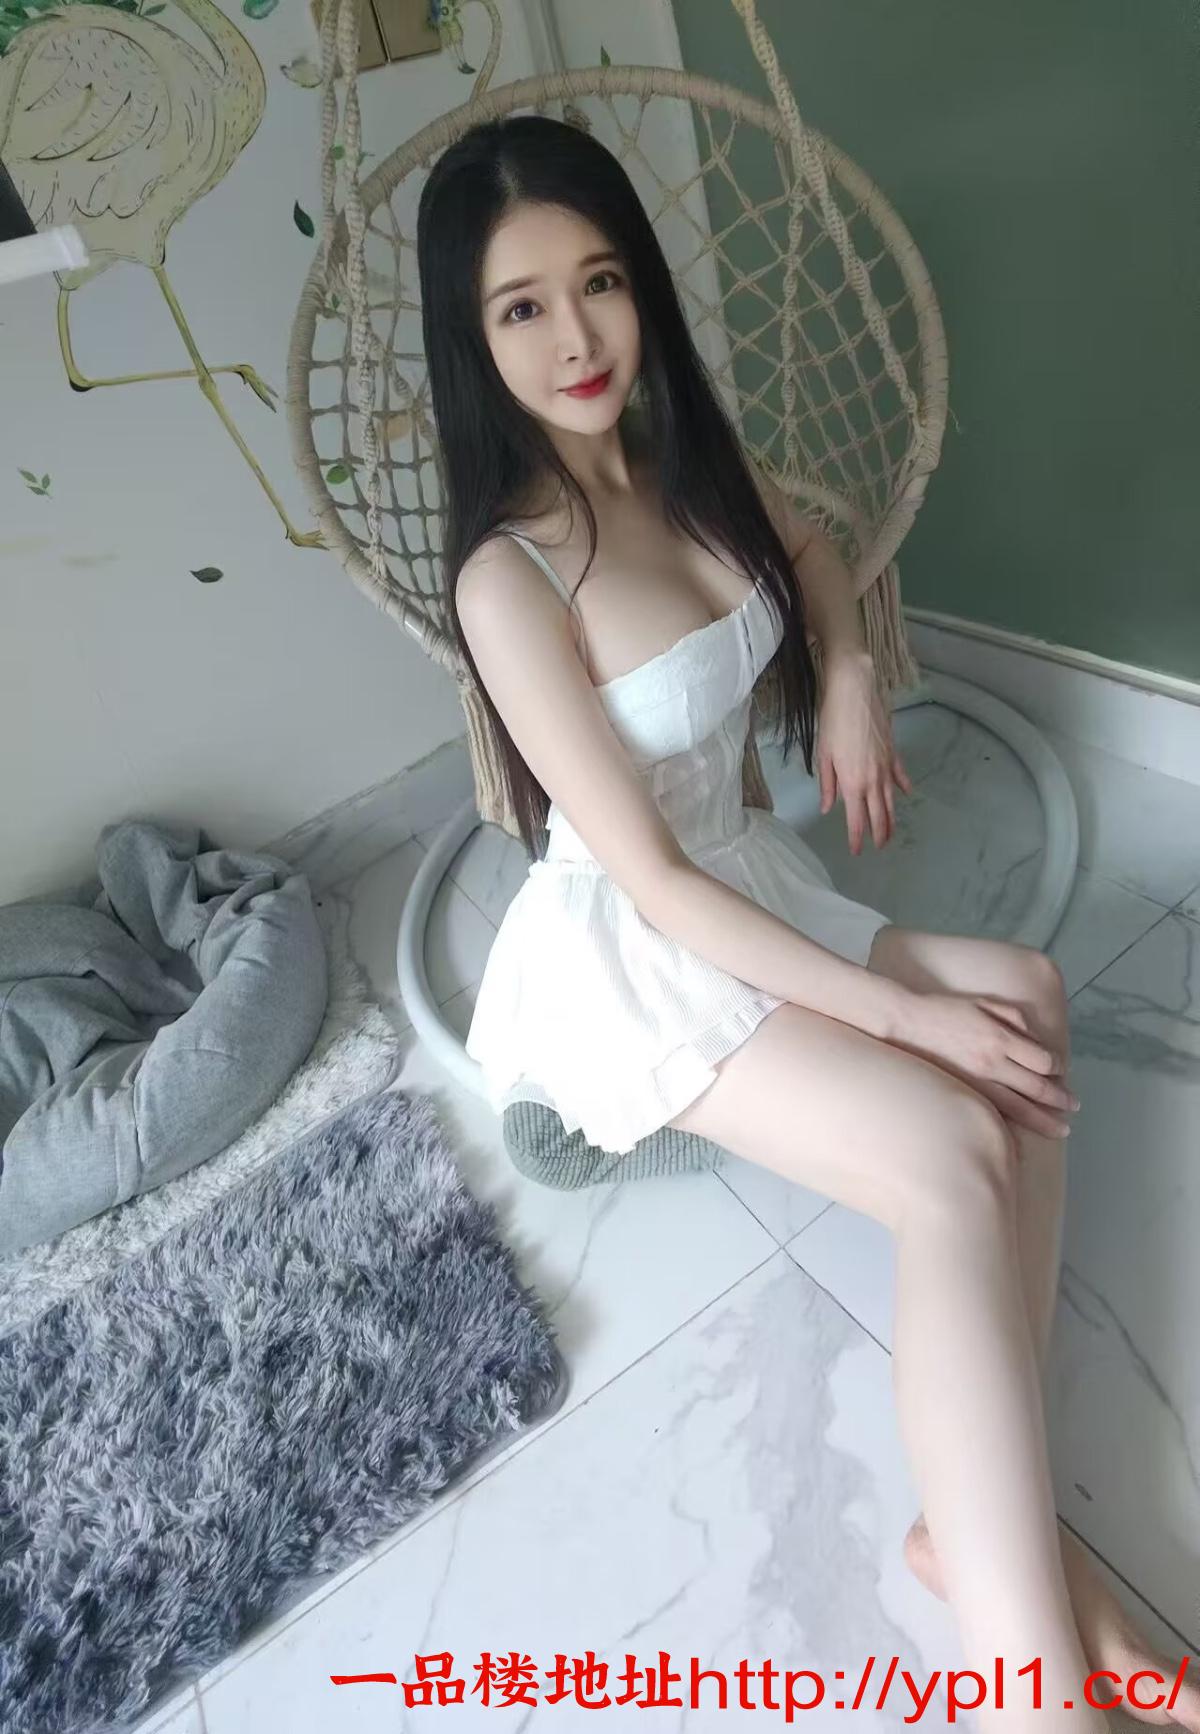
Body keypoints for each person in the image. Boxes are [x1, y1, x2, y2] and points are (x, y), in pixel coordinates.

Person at [415, 113, 1198, 1733]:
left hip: (746, 881)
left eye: (601, 280)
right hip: (640, 956)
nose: (576, 336)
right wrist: (898, 1014)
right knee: (952, 1148)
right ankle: (1040, 1691)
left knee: (1028, 993)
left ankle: (983, 1535)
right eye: (521, 306)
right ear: (472, 336)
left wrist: (843, 674)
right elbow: (653, 882)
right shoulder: (509, 575)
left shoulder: (680, 467)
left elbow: (819, 551)